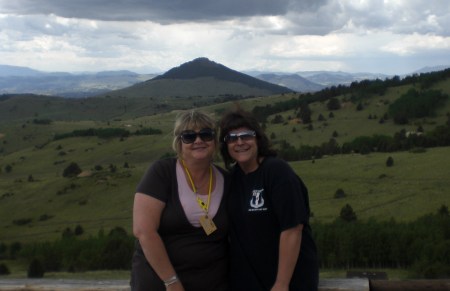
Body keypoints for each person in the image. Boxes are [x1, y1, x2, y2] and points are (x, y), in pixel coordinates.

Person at [219, 108, 319, 291]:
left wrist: (282, 283)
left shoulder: (277, 172)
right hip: (251, 281)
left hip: (288, 281)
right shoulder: (232, 179)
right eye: (232, 138)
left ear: (257, 138)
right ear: (226, 145)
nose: (239, 142)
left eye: (246, 136)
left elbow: (293, 229)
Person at [131, 110, 229, 291]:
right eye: (189, 136)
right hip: (160, 283)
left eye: (206, 135)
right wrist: (172, 282)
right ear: (179, 143)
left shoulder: (227, 180)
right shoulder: (162, 172)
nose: (198, 141)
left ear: (214, 141)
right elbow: (143, 231)